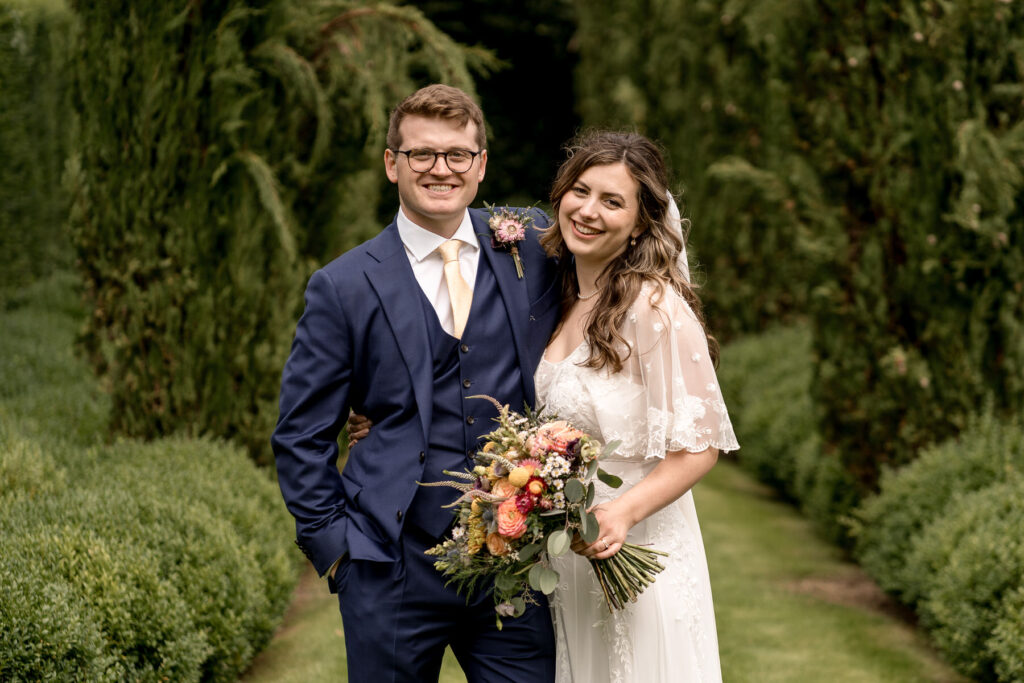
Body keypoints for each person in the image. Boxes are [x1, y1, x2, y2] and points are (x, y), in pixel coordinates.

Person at [271, 84, 560, 682]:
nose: (440, 169)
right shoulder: (343, 286)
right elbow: (301, 434)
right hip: (388, 562)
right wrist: (337, 550)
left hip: (514, 558)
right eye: (421, 154)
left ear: (481, 166)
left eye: (458, 154)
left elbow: (622, 247)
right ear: (391, 164)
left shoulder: (531, 246)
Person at [534, 130, 739, 682]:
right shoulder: (560, 298)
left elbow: (699, 447)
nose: (588, 211)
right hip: (569, 554)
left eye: (612, 201)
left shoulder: (654, 307)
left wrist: (620, 512)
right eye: (581, 190)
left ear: (642, 223)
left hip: (639, 544)